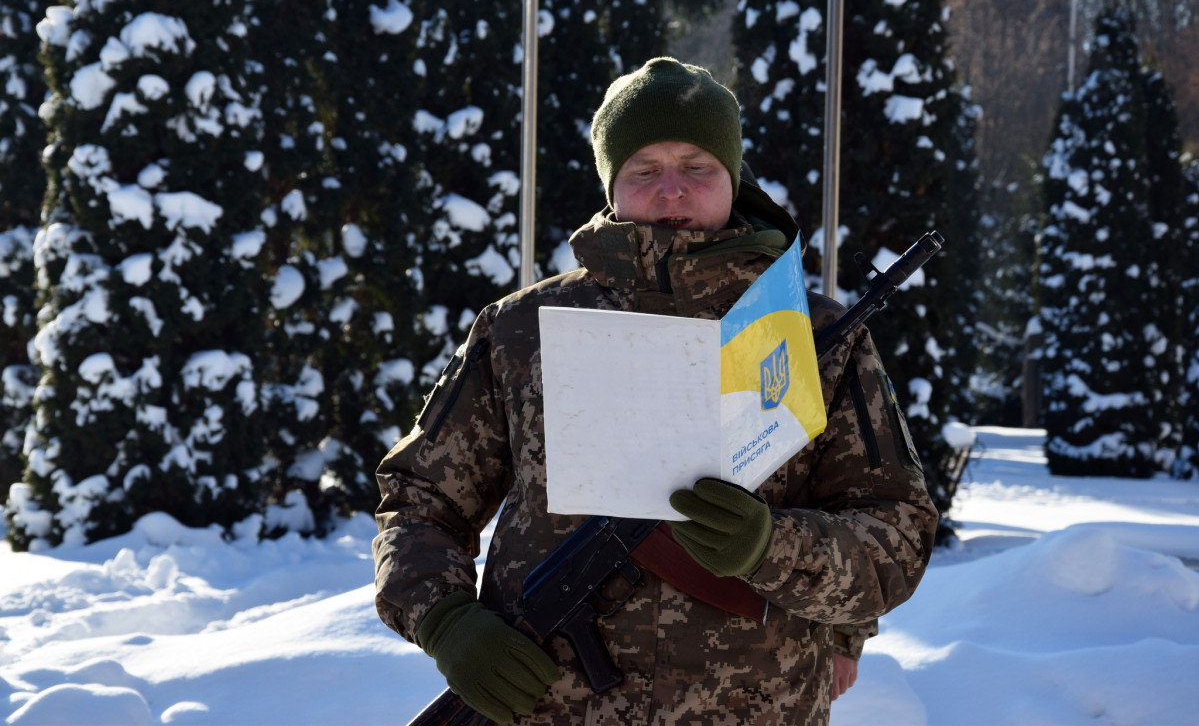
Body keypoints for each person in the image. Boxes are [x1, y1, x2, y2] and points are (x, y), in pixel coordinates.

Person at [373, 57, 938, 725]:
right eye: (643, 170)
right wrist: (444, 620)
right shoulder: (520, 330)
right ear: (612, 184)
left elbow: (894, 535)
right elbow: (418, 498)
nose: (671, 192)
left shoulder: (811, 334)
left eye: (697, 166)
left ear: (732, 178)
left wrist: (772, 548)